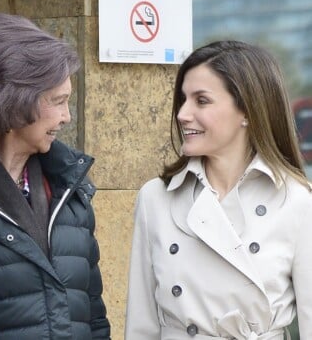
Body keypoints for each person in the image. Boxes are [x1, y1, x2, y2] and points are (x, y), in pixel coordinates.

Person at [125, 40, 312, 339]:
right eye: (183, 99)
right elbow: (140, 325)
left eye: (201, 101)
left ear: (247, 111)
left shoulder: (297, 201)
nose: (182, 114)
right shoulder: (155, 198)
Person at [0, 13, 111, 340]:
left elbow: (94, 321)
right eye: (58, 101)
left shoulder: (71, 194)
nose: (66, 117)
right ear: (12, 101)